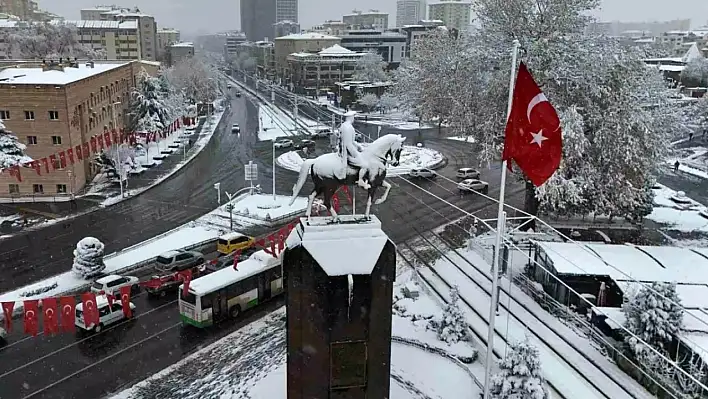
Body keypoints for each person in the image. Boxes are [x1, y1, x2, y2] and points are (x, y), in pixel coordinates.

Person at [338, 110, 369, 189]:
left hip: (345, 149)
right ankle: (360, 180)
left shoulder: (344, 125)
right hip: (347, 152)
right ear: (350, 117)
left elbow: (351, 141)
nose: (353, 119)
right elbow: (348, 144)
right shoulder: (348, 128)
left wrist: (359, 146)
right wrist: (356, 154)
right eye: (353, 117)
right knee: (365, 165)